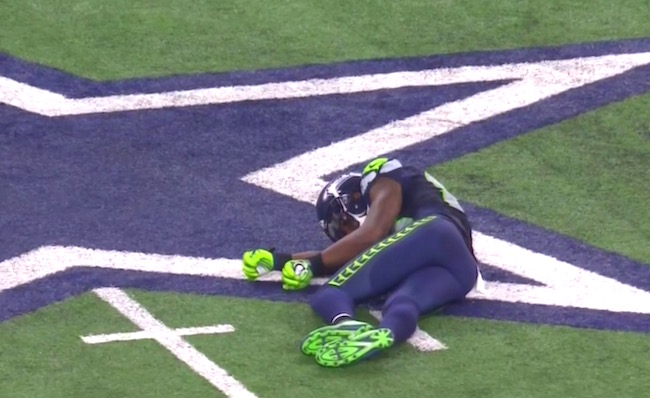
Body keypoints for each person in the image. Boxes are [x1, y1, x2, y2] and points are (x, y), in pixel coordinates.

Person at [242, 157, 484, 368]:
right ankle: (384, 335)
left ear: (355, 199)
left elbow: (372, 233)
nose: (345, 232)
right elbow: (354, 256)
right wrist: (280, 260)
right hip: (461, 268)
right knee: (401, 303)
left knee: (331, 293)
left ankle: (347, 325)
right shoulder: (403, 222)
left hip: (434, 231)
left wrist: (313, 266)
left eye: (343, 222)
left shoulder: (381, 176)